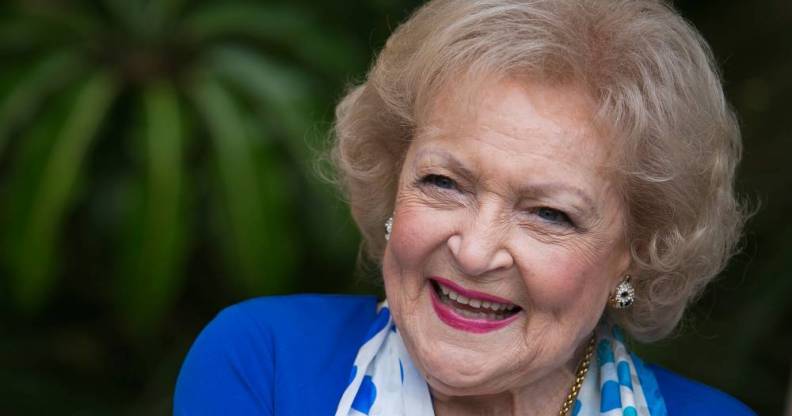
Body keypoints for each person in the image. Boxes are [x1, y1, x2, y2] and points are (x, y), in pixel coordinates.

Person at [174, 0, 756, 414]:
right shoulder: (264, 365)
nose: (474, 252)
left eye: (549, 214)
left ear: (632, 254)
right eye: (445, 183)